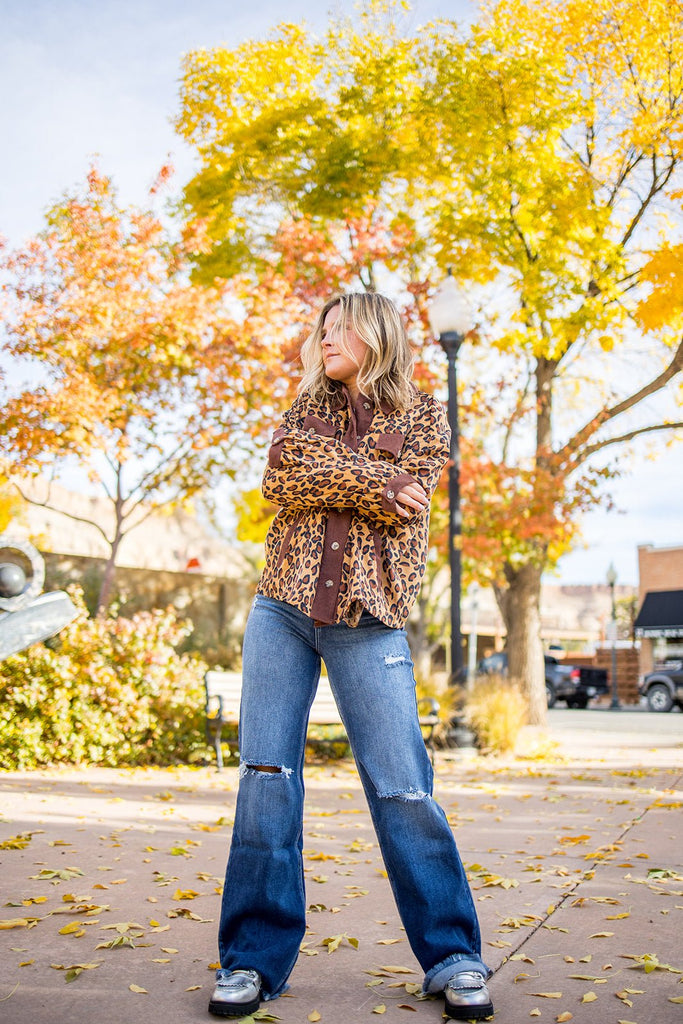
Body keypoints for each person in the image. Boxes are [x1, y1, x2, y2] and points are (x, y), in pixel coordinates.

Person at [208, 292, 493, 1021]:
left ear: (377, 335)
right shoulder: (303, 407)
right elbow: (282, 478)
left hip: (371, 618)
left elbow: (412, 500)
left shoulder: (425, 416)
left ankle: (453, 956)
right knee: (265, 777)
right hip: (281, 609)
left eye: (342, 327)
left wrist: (344, 476)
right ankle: (251, 961)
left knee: (403, 788)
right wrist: (376, 480)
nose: (326, 338)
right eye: (322, 329)